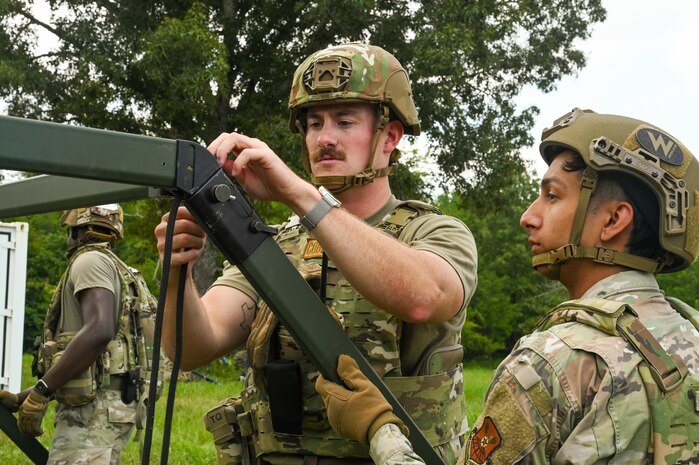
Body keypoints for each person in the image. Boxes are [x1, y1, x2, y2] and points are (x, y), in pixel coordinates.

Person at [154, 42, 478, 464]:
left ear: (390, 137)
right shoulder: (277, 244)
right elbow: (194, 348)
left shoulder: (433, 231)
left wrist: (301, 196)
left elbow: (424, 298)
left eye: (345, 122)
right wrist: (177, 271)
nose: (324, 138)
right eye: (313, 124)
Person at [316, 108, 699, 464]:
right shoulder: (691, 335)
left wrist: (378, 428)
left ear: (614, 220)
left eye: (552, 196)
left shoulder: (551, 364)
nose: (528, 216)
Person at [0, 204, 160, 464]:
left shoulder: (89, 260)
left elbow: (99, 331)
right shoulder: (117, 268)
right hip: (109, 405)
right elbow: (100, 362)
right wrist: (23, 397)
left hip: (93, 413)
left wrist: (43, 388)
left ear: (77, 230)